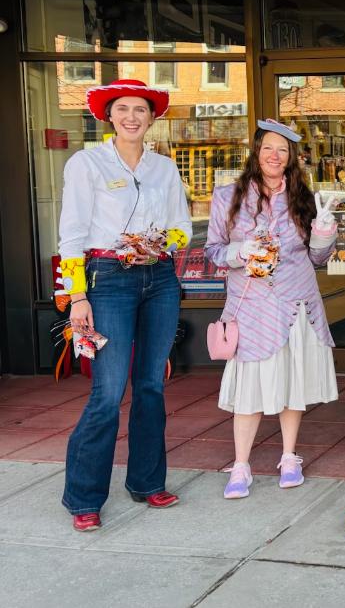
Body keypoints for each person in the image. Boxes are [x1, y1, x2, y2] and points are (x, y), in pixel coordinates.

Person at [59, 79, 192, 532]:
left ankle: (147, 481)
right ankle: (83, 497)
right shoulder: (87, 163)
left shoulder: (164, 168)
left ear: (152, 118)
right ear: (108, 116)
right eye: (123, 110)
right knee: (108, 392)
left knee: (151, 386)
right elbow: (72, 234)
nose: (132, 117)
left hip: (159, 278)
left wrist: (158, 243)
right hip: (107, 279)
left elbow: (182, 229)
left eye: (140, 109)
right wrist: (77, 296)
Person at [206, 119, 339, 499]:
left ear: (291, 157)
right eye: (268, 148)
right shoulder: (227, 196)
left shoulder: (302, 198)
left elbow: (317, 258)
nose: (274, 156)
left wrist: (325, 231)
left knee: (292, 383)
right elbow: (214, 252)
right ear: (257, 152)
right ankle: (242, 465)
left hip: (298, 301)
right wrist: (238, 252)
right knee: (249, 388)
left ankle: (289, 456)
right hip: (252, 306)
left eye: (282, 150)